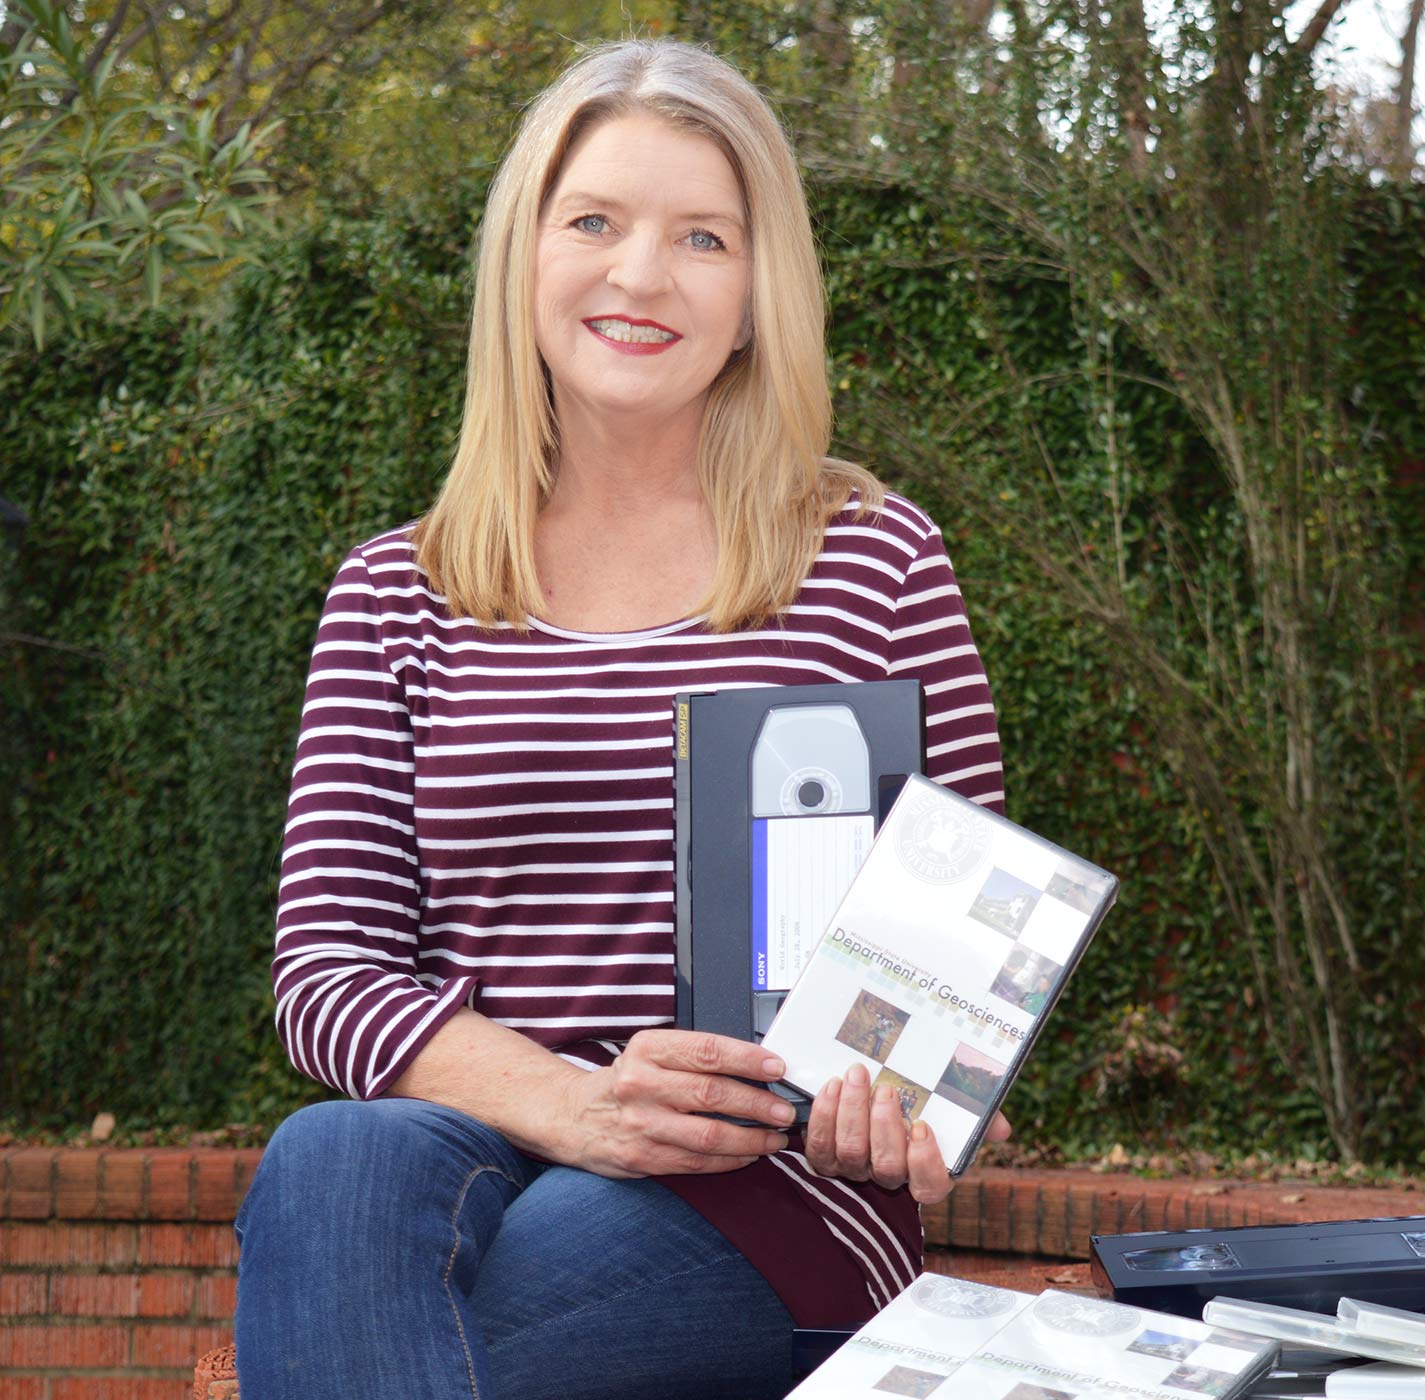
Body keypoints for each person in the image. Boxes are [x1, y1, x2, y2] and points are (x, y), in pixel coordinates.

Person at [234, 39, 1009, 1400]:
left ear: (759, 293)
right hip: (471, 1148)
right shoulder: (395, 593)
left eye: (703, 236)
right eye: (593, 221)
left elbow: (959, 966)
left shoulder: (875, 561)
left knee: (410, 1343)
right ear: (523, 257)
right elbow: (328, 973)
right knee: (326, 1155)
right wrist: (582, 1107)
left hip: (763, 1186)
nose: (640, 276)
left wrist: (895, 1095)